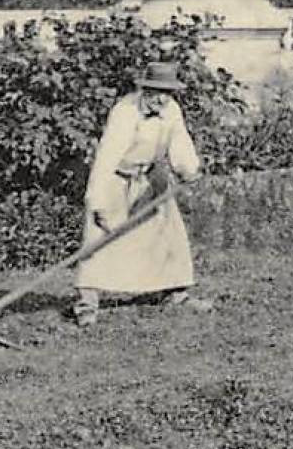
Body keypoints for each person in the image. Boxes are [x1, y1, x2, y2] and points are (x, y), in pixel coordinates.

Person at [73, 61, 207, 328]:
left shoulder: (171, 111)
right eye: (156, 91)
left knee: (168, 233)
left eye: (167, 92)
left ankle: (175, 293)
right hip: (116, 178)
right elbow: (107, 156)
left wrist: (188, 169)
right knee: (98, 239)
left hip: (149, 179)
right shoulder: (125, 112)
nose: (161, 98)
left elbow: (179, 143)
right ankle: (86, 303)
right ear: (144, 89)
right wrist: (97, 200)